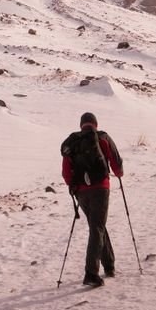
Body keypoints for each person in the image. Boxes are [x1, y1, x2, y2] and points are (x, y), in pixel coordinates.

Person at [61, 112, 123, 287]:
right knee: (97, 227)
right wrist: (118, 174)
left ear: (81, 125)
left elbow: (66, 172)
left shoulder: (72, 142)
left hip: (81, 192)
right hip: (100, 188)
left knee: (97, 225)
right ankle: (91, 273)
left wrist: (74, 187)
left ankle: (109, 265)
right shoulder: (102, 137)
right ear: (95, 124)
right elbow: (116, 163)